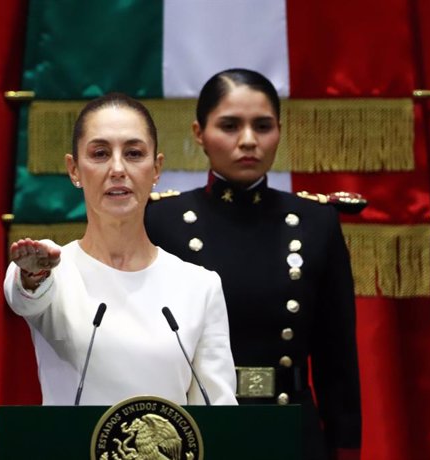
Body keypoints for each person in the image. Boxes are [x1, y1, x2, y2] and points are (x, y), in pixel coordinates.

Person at [145, 69, 361, 459]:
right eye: (229, 126)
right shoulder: (162, 221)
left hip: (288, 429)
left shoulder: (316, 222)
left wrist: (344, 445)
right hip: (193, 430)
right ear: (199, 133)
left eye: (263, 126)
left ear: (279, 130)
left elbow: (337, 356)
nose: (248, 141)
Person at [4, 93, 237, 406]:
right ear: (73, 170)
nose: (117, 168)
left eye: (134, 153)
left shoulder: (200, 286)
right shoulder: (52, 273)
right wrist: (34, 275)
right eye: (100, 153)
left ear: (156, 169)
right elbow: (25, 295)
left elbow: (219, 412)